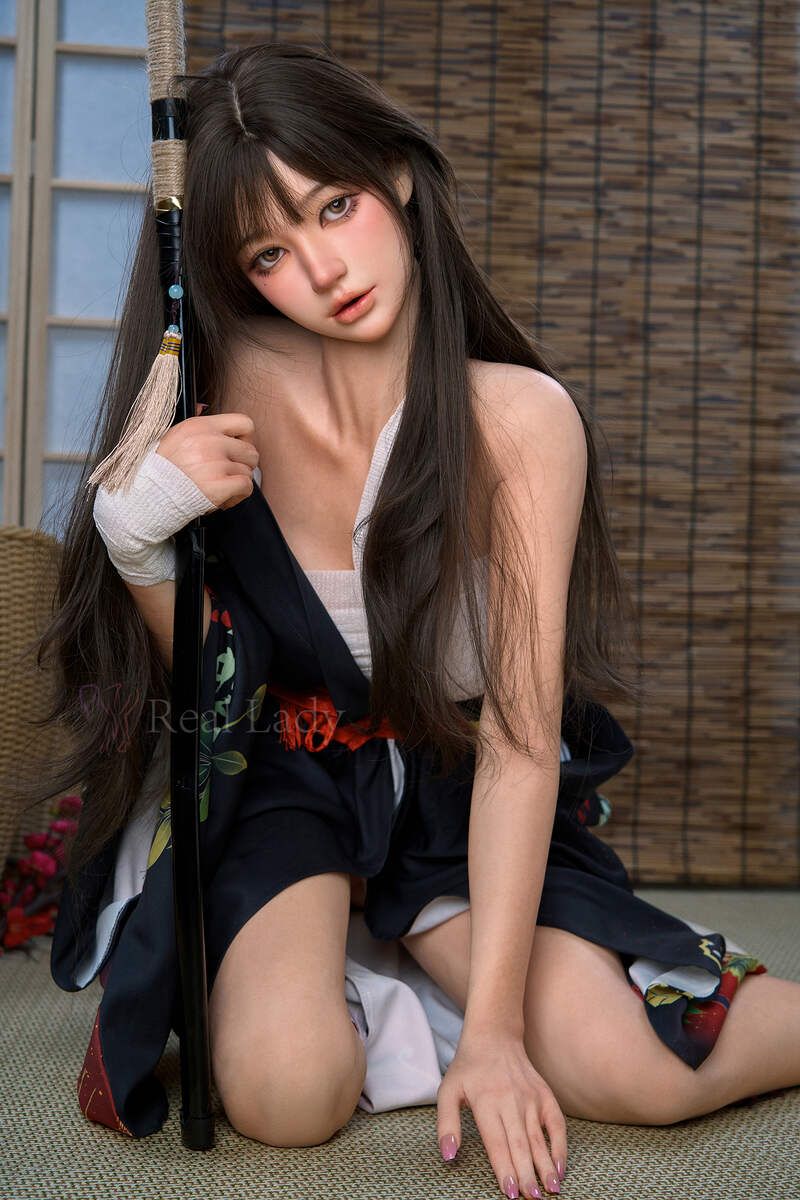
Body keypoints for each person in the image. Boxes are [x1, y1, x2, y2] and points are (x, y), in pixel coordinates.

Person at [25, 41, 798, 1199]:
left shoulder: (517, 420)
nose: (323, 268)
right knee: (286, 1098)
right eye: (269, 253)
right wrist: (139, 549)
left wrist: (495, 1036)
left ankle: (450, 980)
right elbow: (214, 691)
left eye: (334, 205)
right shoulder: (218, 390)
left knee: (629, 1068)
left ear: (392, 174)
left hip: (448, 788)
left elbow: (520, 738)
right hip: (280, 781)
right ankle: (316, 961)